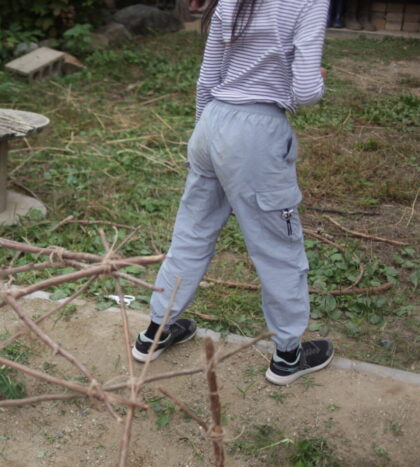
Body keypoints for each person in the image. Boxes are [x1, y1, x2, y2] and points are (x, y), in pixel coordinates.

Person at [131, 0, 335, 386]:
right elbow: (306, 90)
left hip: (211, 123)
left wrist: (199, 141)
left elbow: (206, 80)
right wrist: (317, 81)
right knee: (277, 248)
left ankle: (154, 333)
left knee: (191, 234)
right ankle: (289, 356)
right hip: (257, 133)